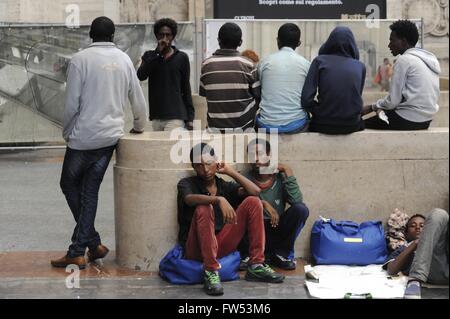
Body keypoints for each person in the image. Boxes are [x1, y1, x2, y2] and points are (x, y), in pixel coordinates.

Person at [51, 17, 148, 269]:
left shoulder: (80, 60)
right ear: (113, 35)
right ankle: (93, 244)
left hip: (83, 138)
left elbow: (72, 103)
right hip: (110, 138)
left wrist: (67, 133)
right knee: (89, 190)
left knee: (68, 184)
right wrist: (138, 126)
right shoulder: (124, 60)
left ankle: (77, 250)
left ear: (91, 35)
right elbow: (137, 99)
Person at [177, 143, 285, 296]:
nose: (206, 170)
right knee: (204, 207)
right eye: (199, 166)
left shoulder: (224, 186)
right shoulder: (186, 184)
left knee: (253, 202)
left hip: (220, 245)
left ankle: (256, 265)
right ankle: (210, 271)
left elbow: (255, 191)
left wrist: (230, 171)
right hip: (196, 248)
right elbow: (189, 199)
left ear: (216, 162)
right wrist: (217, 200)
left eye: (209, 163)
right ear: (194, 167)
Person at [240, 139, 309, 270]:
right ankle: (249, 254)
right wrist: (264, 203)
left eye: (259, 153)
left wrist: (287, 169)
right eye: (251, 155)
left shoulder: (280, 178)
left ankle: (280, 254)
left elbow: (296, 201)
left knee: (301, 210)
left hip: (276, 227)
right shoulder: (245, 178)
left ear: (269, 155)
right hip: (254, 232)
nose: (255, 158)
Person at [362, 20, 441, 130]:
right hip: (425, 120)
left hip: (407, 119)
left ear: (403, 42)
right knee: (381, 112)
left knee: (360, 124)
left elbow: (392, 101)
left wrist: (371, 107)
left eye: (392, 40)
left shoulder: (404, 60)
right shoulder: (428, 60)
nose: (389, 45)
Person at [301, 26, 366, 135]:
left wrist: (319, 110)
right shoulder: (360, 66)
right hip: (351, 124)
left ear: (330, 42)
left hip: (322, 123)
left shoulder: (319, 61)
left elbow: (306, 99)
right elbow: (355, 96)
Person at [200, 22, 260, 132]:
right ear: (240, 42)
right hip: (244, 128)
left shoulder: (206, 65)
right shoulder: (249, 65)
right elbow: (258, 96)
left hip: (215, 129)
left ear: (218, 40)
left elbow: (205, 94)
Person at [137, 18, 194, 131]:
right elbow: (141, 75)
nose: (164, 38)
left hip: (176, 116)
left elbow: (186, 87)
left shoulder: (181, 57)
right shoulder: (149, 56)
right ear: (156, 36)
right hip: (156, 116)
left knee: (171, 148)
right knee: (159, 149)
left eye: (168, 35)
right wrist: (157, 53)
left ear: (173, 37)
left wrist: (190, 118)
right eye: (161, 35)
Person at [256, 23, 311, 134]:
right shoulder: (306, 64)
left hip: (266, 125)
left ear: (278, 40)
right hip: (297, 126)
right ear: (299, 43)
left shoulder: (264, 62)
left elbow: (261, 90)